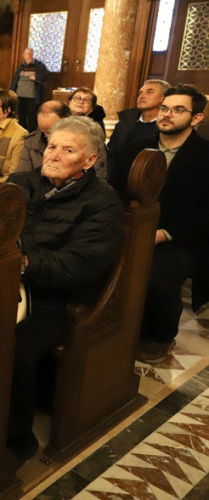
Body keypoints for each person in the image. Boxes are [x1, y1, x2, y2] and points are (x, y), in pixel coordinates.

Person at [5, 116, 124, 463]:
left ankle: (16, 441)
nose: (54, 155)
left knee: (12, 346)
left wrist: (25, 262)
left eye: (68, 150)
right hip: (8, 281)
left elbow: (81, 266)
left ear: (89, 160)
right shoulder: (22, 182)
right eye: (52, 146)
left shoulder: (102, 202)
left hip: (56, 298)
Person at [116, 85, 209, 364]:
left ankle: (160, 336)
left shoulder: (205, 155)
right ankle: (114, 325)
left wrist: (165, 233)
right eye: (165, 108)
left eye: (178, 110)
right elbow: (114, 192)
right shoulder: (135, 148)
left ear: (196, 118)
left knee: (157, 276)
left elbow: (205, 214)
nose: (167, 115)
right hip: (130, 228)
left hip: (180, 237)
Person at [106, 79, 170, 196]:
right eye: (140, 93)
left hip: (149, 190)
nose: (141, 96)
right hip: (116, 186)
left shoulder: (167, 127)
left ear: (163, 98)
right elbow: (112, 154)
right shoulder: (125, 123)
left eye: (150, 92)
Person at [16, 100, 71, 173]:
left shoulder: (79, 142)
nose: (47, 137)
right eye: (43, 131)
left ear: (68, 121)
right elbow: (21, 175)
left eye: (51, 132)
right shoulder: (31, 142)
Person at [10, 48, 50, 131]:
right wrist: (12, 92)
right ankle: (22, 132)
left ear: (32, 55)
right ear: (23, 55)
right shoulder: (21, 66)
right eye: (25, 54)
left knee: (32, 117)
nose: (27, 56)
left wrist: (36, 77)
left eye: (29, 54)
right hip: (20, 95)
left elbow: (47, 74)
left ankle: (31, 133)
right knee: (21, 116)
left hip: (32, 97)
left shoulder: (38, 65)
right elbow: (16, 79)